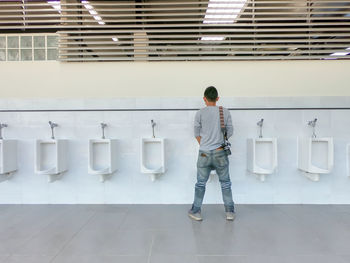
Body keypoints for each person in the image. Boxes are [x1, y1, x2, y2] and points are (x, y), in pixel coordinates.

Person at [188, 86, 235, 221]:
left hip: (204, 153)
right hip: (220, 152)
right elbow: (230, 132)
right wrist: (218, 141)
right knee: (225, 183)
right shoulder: (224, 112)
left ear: (204, 98)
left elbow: (196, 133)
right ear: (218, 98)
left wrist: (205, 144)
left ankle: (196, 211)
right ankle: (229, 212)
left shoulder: (200, 113)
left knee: (200, 183)